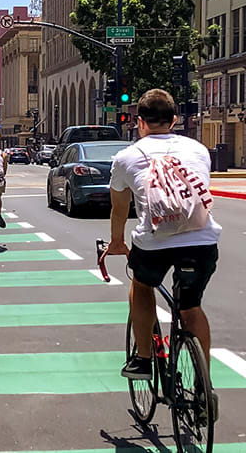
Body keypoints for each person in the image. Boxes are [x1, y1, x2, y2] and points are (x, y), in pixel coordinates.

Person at [105, 89, 221, 382]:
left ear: (139, 121)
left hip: (154, 242)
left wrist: (117, 241)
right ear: (175, 120)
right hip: (202, 240)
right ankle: (203, 380)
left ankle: (144, 359)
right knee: (191, 306)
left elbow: (119, 210)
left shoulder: (125, 157)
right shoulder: (198, 149)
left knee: (142, 287)